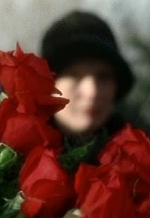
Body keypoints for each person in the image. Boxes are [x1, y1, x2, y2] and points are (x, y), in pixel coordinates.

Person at [40, 10, 136, 147]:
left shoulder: (147, 154)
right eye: (74, 75)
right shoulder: (14, 152)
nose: (92, 92)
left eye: (103, 77)